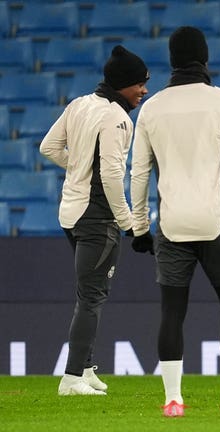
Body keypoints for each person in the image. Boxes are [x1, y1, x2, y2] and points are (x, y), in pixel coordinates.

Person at [129, 26, 220, 418]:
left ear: (172, 61)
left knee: (172, 311)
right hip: (216, 219)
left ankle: (173, 400)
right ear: (204, 59)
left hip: (171, 222)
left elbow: (139, 173)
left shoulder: (151, 107)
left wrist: (140, 227)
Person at [40, 45, 150, 396]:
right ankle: (71, 379)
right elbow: (113, 176)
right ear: (122, 85)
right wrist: (129, 222)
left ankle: (86, 370)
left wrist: (77, 169)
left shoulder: (80, 104)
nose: (144, 90)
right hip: (97, 217)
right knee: (92, 297)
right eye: (140, 84)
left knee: (89, 294)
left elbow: (49, 148)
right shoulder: (117, 118)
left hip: (70, 213)